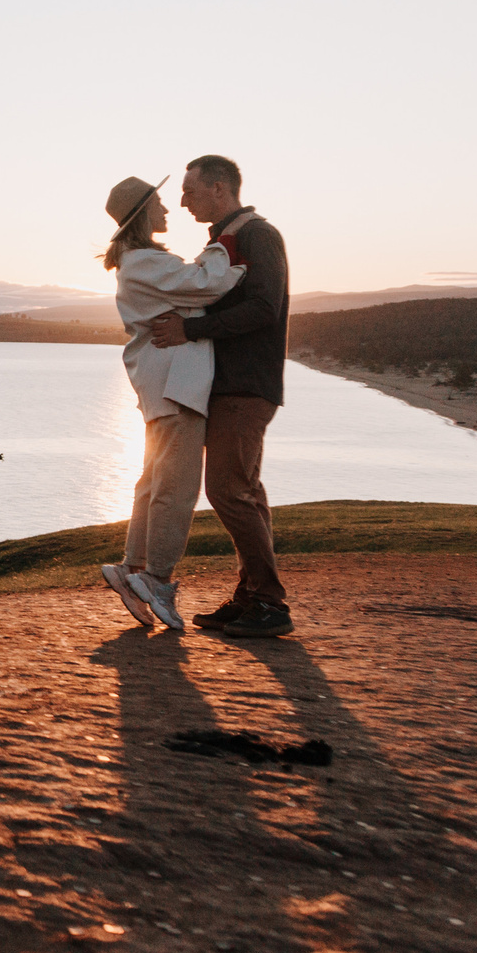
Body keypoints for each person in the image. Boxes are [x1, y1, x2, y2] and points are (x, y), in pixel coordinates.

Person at [147, 154, 293, 638]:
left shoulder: (257, 234)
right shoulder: (227, 237)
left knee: (228, 490)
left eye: (189, 191)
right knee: (245, 489)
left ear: (218, 188)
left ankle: (270, 603)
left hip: (245, 385)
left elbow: (265, 308)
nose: (182, 201)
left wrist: (190, 330)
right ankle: (251, 596)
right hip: (232, 385)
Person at [95, 175, 244, 635]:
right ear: (142, 212)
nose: (167, 209)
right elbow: (207, 284)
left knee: (155, 480)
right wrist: (224, 245)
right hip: (176, 387)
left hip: (164, 385)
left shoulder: (139, 261)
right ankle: (157, 579)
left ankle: (133, 566)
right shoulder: (144, 262)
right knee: (176, 487)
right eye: (158, 203)